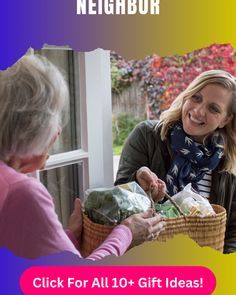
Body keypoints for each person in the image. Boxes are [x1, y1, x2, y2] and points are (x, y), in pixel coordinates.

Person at [0, 52, 165, 260]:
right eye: (54, 116)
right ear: (30, 127)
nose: (58, 131)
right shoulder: (22, 193)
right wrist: (127, 233)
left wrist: (67, 236)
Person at [115, 70, 236, 253]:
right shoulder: (147, 136)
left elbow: (233, 231)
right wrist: (138, 183)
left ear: (225, 119)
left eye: (213, 108)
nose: (198, 111)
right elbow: (117, 203)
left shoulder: (229, 163)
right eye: (196, 98)